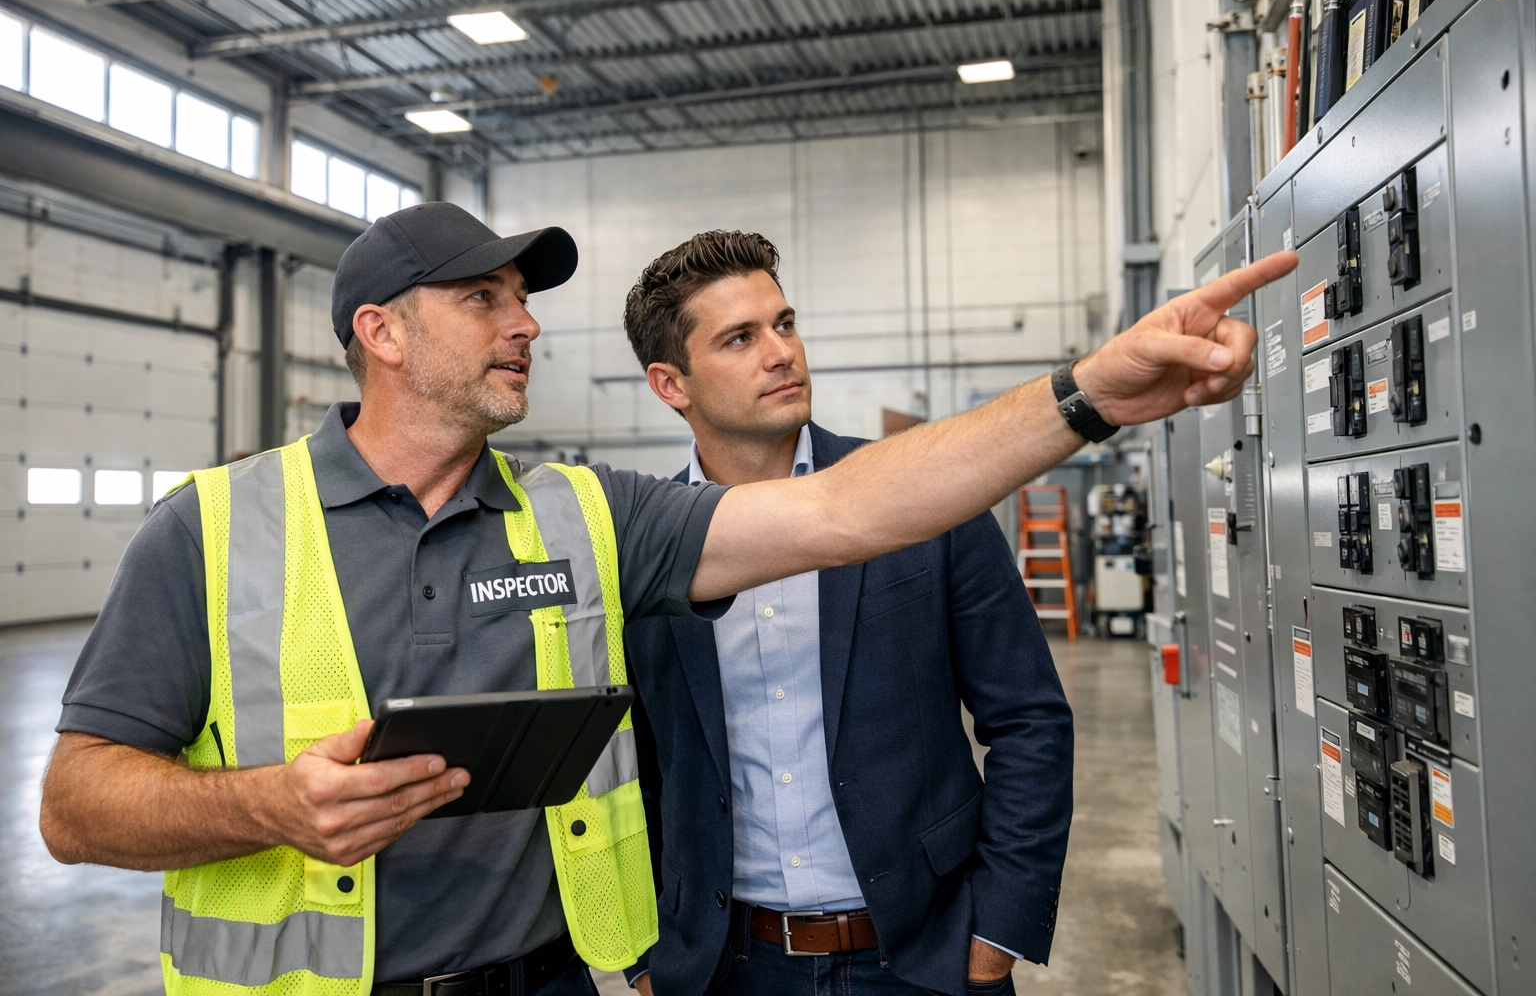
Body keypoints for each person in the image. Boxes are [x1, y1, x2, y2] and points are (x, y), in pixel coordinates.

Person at [37, 201, 1293, 996]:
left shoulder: (582, 512)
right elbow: (74, 806)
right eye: (484, 299)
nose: (524, 325)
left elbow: (846, 511)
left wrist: (1089, 395)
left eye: (525, 300)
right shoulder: (212, 529)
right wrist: (268, 802)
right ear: (381, 331)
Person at [617, 230, 1071, 996]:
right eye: (740, 338)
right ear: (672, 383)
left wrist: (998, 928)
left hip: (923, 954)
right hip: (726, 965)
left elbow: (1029, 719)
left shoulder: (923, 498)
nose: (781, 352)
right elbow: (634, 771)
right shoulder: (643, 549)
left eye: (784, 324)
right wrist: (642, 957)